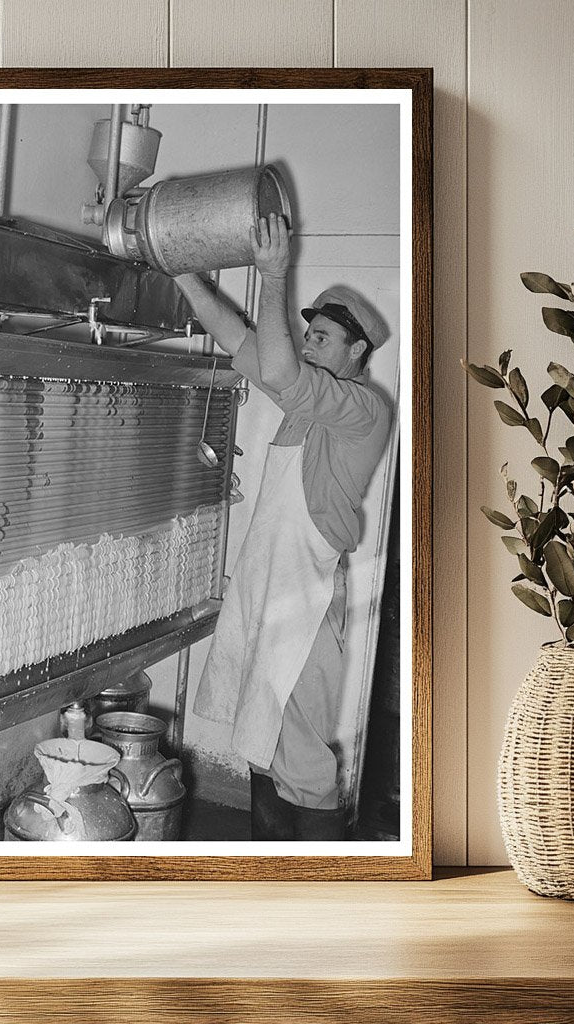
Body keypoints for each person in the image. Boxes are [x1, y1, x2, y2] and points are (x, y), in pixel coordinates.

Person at [173, 214, 392, 841]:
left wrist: (274, 274)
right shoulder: (306, 404)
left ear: (357, 352)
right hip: (267, 586)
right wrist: (184, 274)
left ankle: (321, 892)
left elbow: (276, 371)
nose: (310, 344)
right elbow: (237, 336)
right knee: (260, 742)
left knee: (306, 764)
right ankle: (269, 877)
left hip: (308, 597)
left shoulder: (362, 407)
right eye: (311, 335)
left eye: (322, 337)